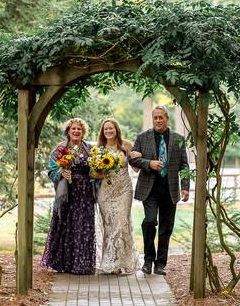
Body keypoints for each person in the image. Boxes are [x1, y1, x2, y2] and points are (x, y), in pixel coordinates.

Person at [129, 105, 190, 275]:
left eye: (160, 117)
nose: (157, 120)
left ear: (166, 119)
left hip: (170, 190)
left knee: (166, 227)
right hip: (149, 190)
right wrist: (149, 163)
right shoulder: (143, 137)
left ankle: (160, 264)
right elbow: (132, 159)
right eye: (155, 117)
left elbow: (184, 165)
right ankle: (148, 260)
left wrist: (185, 188)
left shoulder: (178, 139)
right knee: (149, 221)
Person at [41, 118, 97, 275]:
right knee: (66, 225)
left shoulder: (90, 149)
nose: (76, 131)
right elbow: (51, 170)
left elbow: (95, 170)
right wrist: (61, 173)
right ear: (68, 131)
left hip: (85, 195)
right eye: (73, 129)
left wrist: (95, 173)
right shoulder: (60, 149)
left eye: (79, 129)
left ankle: (82, 264)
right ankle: (63, 263)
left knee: (83, 227)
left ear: (83, 131)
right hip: (67, 193)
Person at [95, 118, 139, 274]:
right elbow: (94, 173)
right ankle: (111, 262)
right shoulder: (98, 148)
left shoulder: (126, 144)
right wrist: (100, 170)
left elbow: (136, 169)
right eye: (106, 129)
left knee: (122, 223)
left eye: (111, 128)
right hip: (106, 191)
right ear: (102, 131)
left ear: (116, 130)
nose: (108, 131)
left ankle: (125, 261)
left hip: (124, 190)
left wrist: (136, 155)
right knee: (110, 226)